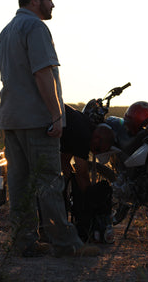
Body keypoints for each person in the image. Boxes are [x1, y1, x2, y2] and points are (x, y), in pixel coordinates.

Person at [0, 0, 100, 257]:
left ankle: (23, 241)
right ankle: (67, 245)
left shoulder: (5, 32)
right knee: (50, 182)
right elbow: (42, 74)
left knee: (20, 184)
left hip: (11, 119)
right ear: (34, 0)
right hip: (36, 119)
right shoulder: (36, 27)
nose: (52, 4)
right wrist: (57, 114)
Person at [60, 104, 115, 242]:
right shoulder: (84, 135)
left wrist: (68, 183)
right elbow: (82, 172)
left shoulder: (83, 126)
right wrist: (89, 198)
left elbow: (64, 159)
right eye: (97, 149)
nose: (95, 153)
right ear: (96, 139)